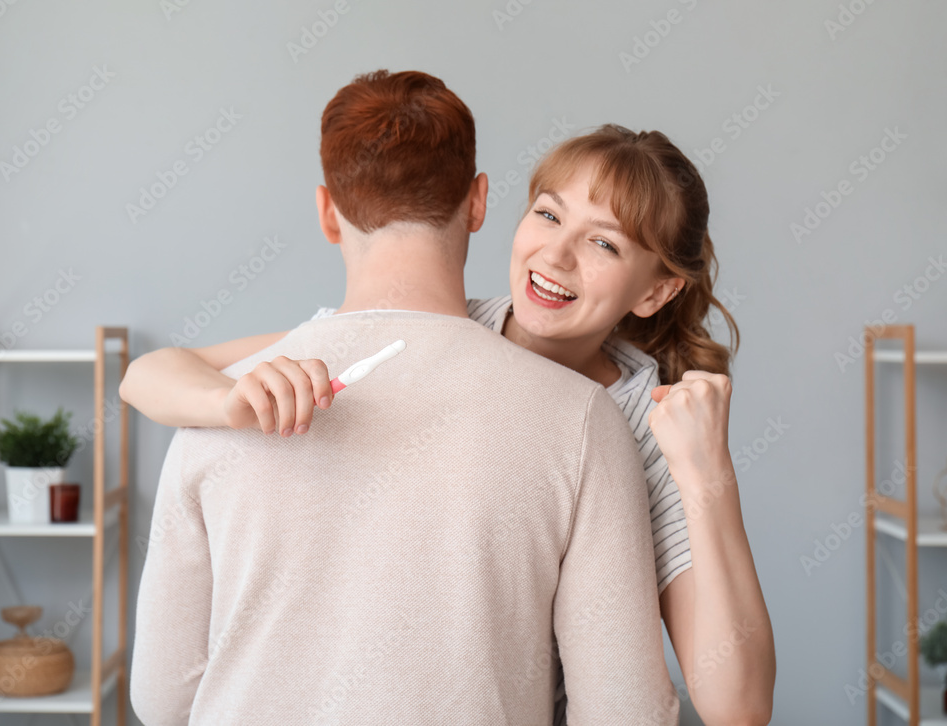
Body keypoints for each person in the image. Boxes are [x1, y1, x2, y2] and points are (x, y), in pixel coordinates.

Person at [123, 117, 776, 723]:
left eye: (603, 242)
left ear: (657, 290)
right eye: (548, 215)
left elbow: (736, 706)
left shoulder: (648, 427)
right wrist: (223, 404)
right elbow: (152, 372)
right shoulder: (428, 326)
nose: (557, 255)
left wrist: (708, 478)